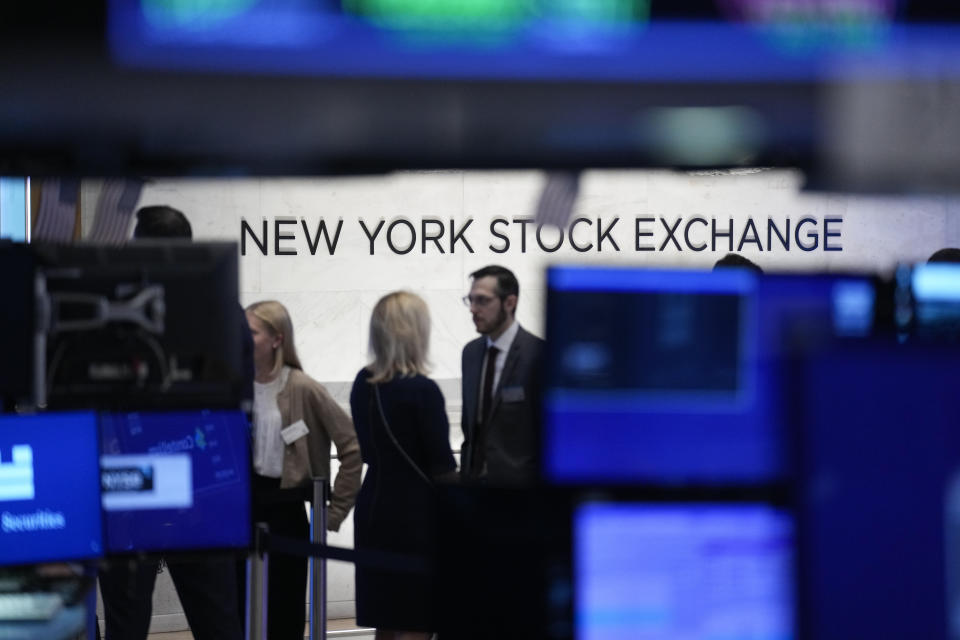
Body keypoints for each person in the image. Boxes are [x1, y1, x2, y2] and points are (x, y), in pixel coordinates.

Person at [98, 205, 249, 640]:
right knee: (217, 621)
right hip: (203, 484)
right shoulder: (224, 309)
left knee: (127, 622)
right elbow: (241, 397)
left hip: (136, 485)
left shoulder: (117, 313)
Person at [245, 300, 362, 640]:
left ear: (276, 339)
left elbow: (351, 446)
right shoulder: (236, 385)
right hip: (243, 510)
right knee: (241, 610)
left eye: (251, 332)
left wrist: (335, 512)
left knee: (283, 613)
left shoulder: (301, 387)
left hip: (286, 511)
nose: (243, 337)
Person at [350, 291, 457, 640]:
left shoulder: (361, 384)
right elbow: (440, 462)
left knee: (386, 618)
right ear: (414, 331)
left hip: (374, 508)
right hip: (417, 516)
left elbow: (367, 449)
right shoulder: (422, 390)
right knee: (417, 618)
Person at [460, 265, 544, 484]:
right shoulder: (470, 353)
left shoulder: (538, 355)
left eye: (483, 300)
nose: (473, 309)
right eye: (471, 300)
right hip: (473, 491)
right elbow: (469, 430)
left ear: (509, 303)